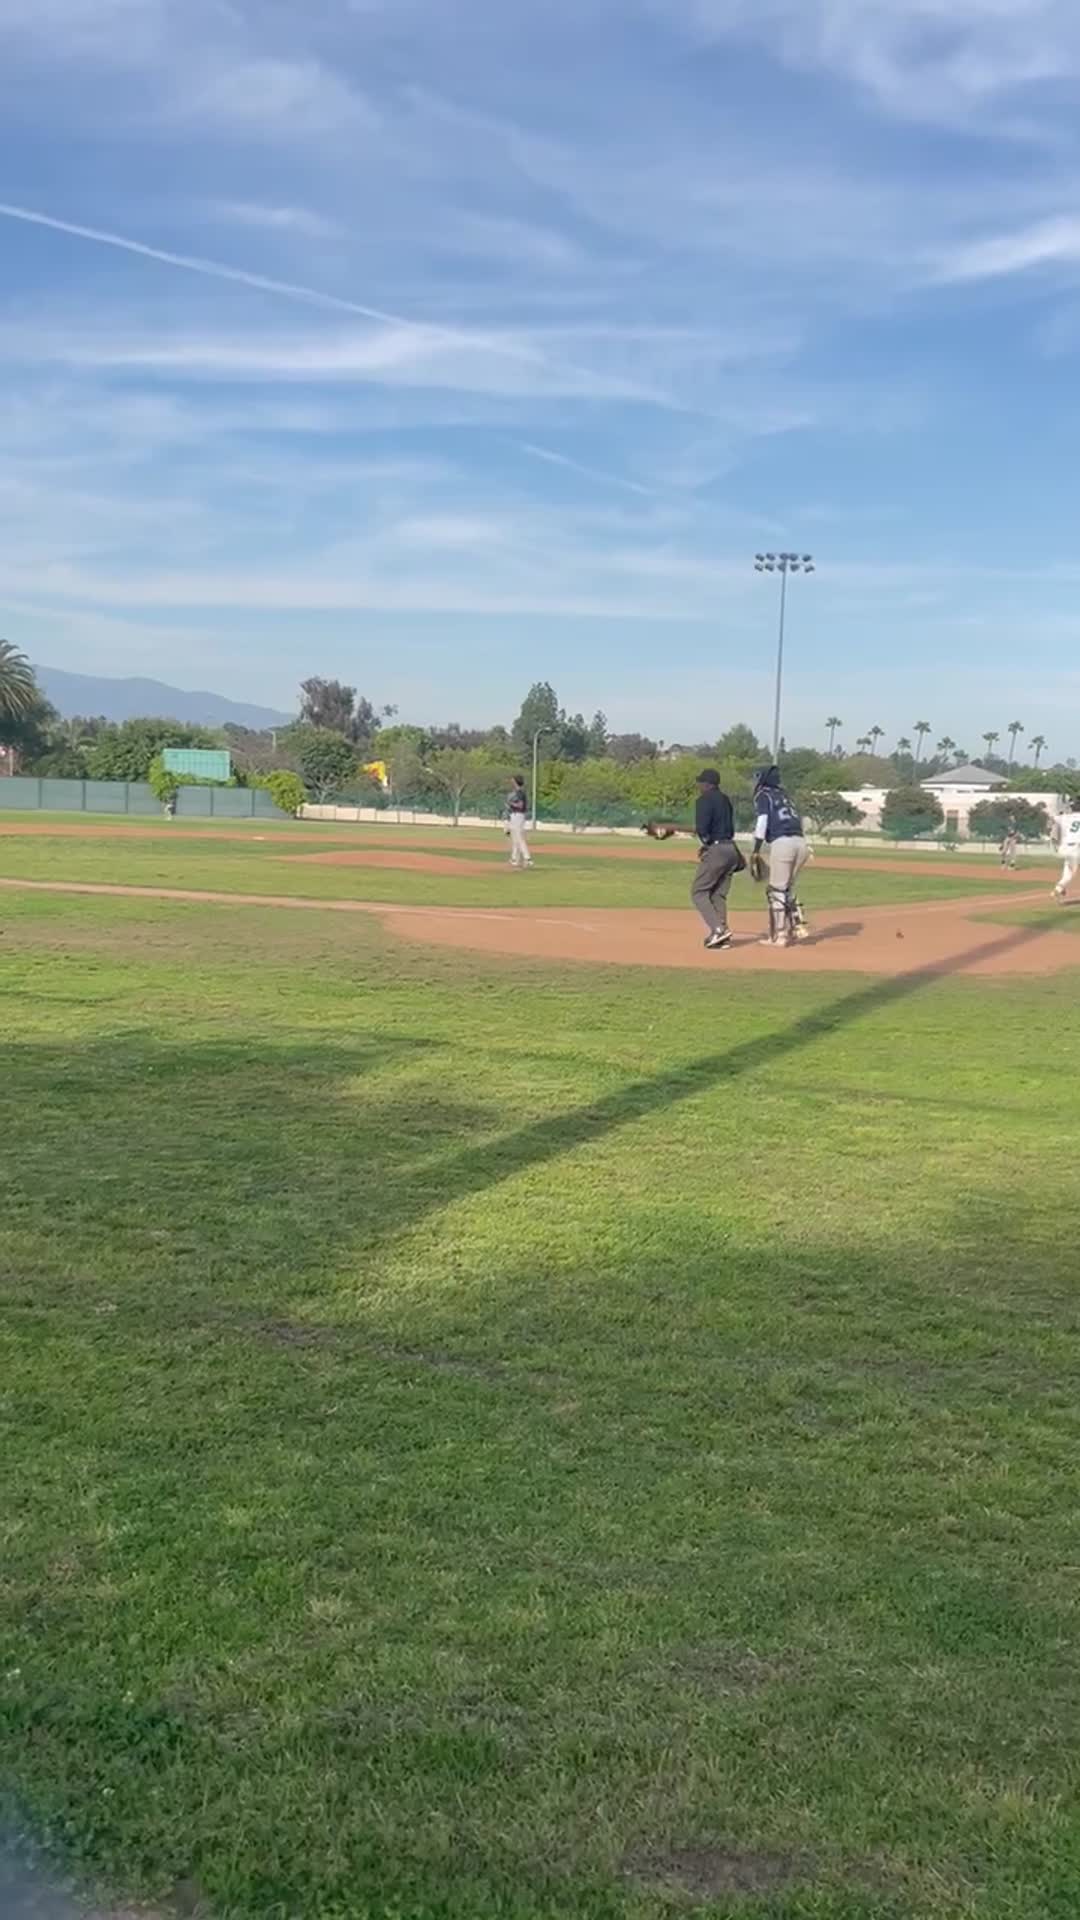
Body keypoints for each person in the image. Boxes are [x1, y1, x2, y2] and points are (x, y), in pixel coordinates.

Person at [753, 765, 810, 948]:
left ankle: (780, 935)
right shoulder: (785, 795)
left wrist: (756, 849)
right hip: (801, 843)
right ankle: (797, 927)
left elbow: (763, 821)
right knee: (788, 888)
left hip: (782, 843)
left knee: (776, 890)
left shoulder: (764, 795)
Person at [690, 769, 743, 951]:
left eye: (701, 783)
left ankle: (718, 929)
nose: (699, 786)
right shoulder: (725, 799)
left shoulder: (704, 800)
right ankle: (723, 936)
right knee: (718, 894)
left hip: (717, 849)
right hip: (731, 849)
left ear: (708, 784)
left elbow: (702, 829)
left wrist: (705, 844)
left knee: (699, 892)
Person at [1052, 796, 1080, 902]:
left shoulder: (1065, 817)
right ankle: (1057, 889)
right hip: (1075, 848)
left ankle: (1061, 887)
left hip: (1064, 848)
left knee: (1068, 869)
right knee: (1071, 873)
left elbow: (1052, 820)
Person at [506, 774, 533, 870]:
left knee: (519, 838)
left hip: (518, 815)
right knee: (515, 839)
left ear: (516, 782)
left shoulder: (520, 793)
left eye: (513, 781)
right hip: (515, 816)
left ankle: (527, 858)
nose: (511, 782)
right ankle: (515, 859)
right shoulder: (517, 792)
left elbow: (520, 806)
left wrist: (511, 804)